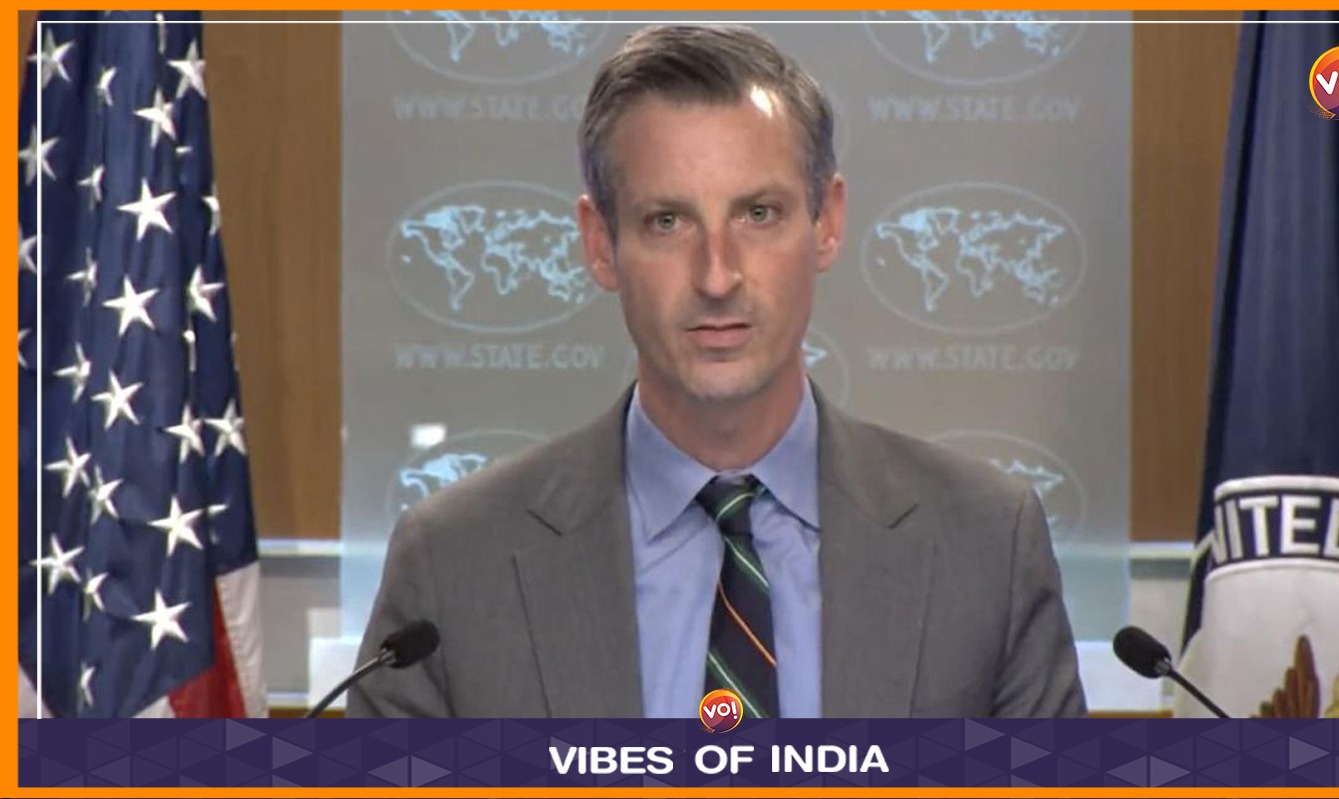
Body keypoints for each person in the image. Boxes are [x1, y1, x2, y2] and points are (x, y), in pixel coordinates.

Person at [349, 24, 1086, 719]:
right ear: (600, 244)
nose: (716, 275)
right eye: (666, 221)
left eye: (758, 214)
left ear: (827, 223)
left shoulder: (987, 544)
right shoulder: (453, 562)